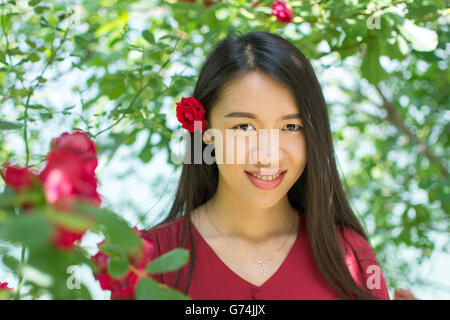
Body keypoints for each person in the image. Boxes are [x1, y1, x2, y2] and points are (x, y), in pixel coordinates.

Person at [111, 30, 390, 300]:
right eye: (244, 127)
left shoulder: (350, 255)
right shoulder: (150, 262)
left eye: (291, 127)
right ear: (205, 131)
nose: (267, 156)